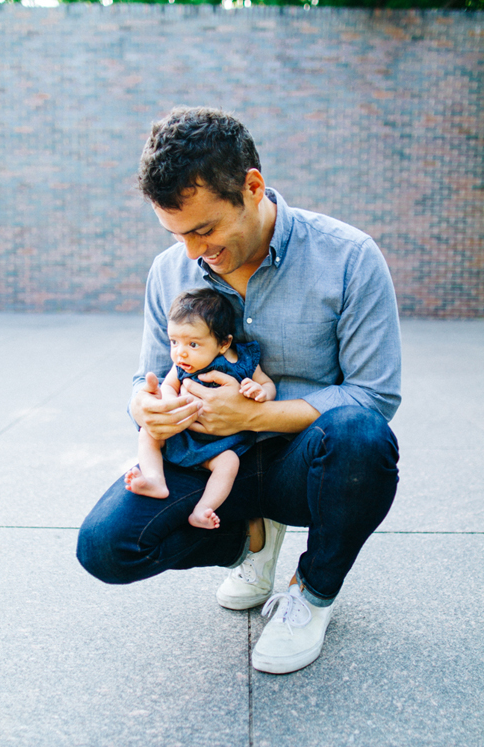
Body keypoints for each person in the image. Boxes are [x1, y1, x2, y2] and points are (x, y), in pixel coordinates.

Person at [76, 106, 401, 674]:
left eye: (204, 229)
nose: (191, 253)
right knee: (105, 548)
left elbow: (374, 393)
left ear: (252, 187)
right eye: (176, 234)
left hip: (304, 460)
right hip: (205, 460)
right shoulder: (168, 272)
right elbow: (144, 375)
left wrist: (251, 415)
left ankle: (312, 591)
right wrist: (144, 407)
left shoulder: (349, 257)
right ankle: (251, 541)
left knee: (362, 436)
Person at [126, 288, 275, 530]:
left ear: (224, 343)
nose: (180, 352)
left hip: (219, 446)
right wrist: (168, 403)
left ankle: (204, 508)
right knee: (148, 433)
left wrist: (260, 392)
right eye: (174, 342)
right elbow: (169, 387)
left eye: (193, 343)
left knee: (229, 463)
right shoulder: (182, 365)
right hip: (183, 435)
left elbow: (267, 384)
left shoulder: (242, 362)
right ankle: (155, 480)